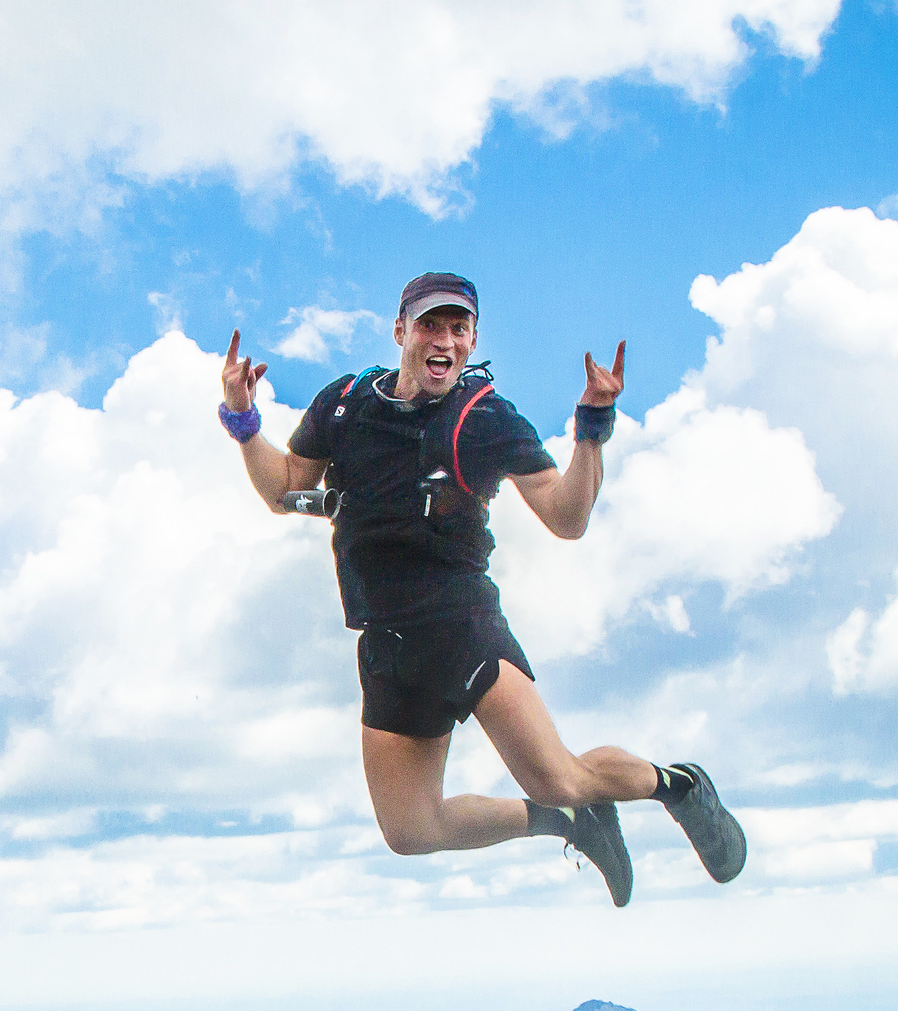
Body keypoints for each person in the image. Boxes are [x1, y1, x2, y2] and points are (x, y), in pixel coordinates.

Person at [217, 271, 745, 907]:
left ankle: (678, 786)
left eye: (458, 327)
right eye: (430, 325)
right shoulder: (346, 403)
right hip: (387, 640)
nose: (445, 339)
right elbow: (285, 490)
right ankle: (569, 826)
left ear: (472, 340)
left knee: (559, 776)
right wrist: (245, 419)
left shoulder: (484, 419)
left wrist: (592, 425)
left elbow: (566, 517)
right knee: (412, 830)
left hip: (462, 624)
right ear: (400, 331)